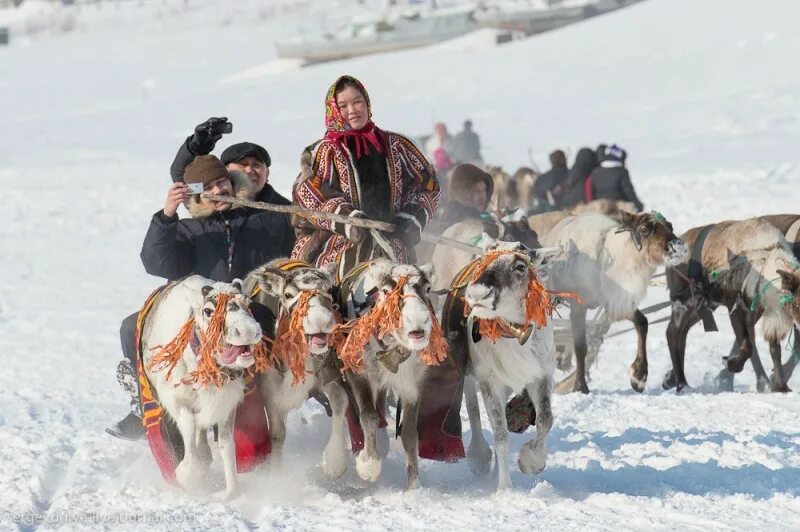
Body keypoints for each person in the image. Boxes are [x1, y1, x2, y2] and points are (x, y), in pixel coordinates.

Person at [107, 155, 295, 439]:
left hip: (249, 309)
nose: (219, 190)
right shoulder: (187, 230)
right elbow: (156, 262)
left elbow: (298, 251)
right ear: (197, 196)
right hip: (199, 314)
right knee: (131, 325)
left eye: (222, 182)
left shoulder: (266, 220)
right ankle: (145, 402)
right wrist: (167, 215)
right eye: (209, 187)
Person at [291, 74, 440, 274]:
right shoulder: (326, 151)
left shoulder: (396, 145)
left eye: (357, 102)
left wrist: (412, 216)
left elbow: (428, 184)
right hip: (339, 249)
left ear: (367, 104)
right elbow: (308, 194)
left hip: (392, 247)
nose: (352, 111)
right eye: (343, 106)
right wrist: (347, 220)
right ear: (333, 110)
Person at [169, 117, 291, 206]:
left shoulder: (287, 212)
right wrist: (197, 147)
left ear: (267, 174)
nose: (249, 169)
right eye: (242, 164)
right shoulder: (213, 201)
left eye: (256, 165)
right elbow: (183, 178)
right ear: (226, 173)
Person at [589, 144, 644, 212]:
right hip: (617, 207)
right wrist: (638, 205)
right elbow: (628, 190)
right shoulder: (621, 172)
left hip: (600, 207)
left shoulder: (595, 172)